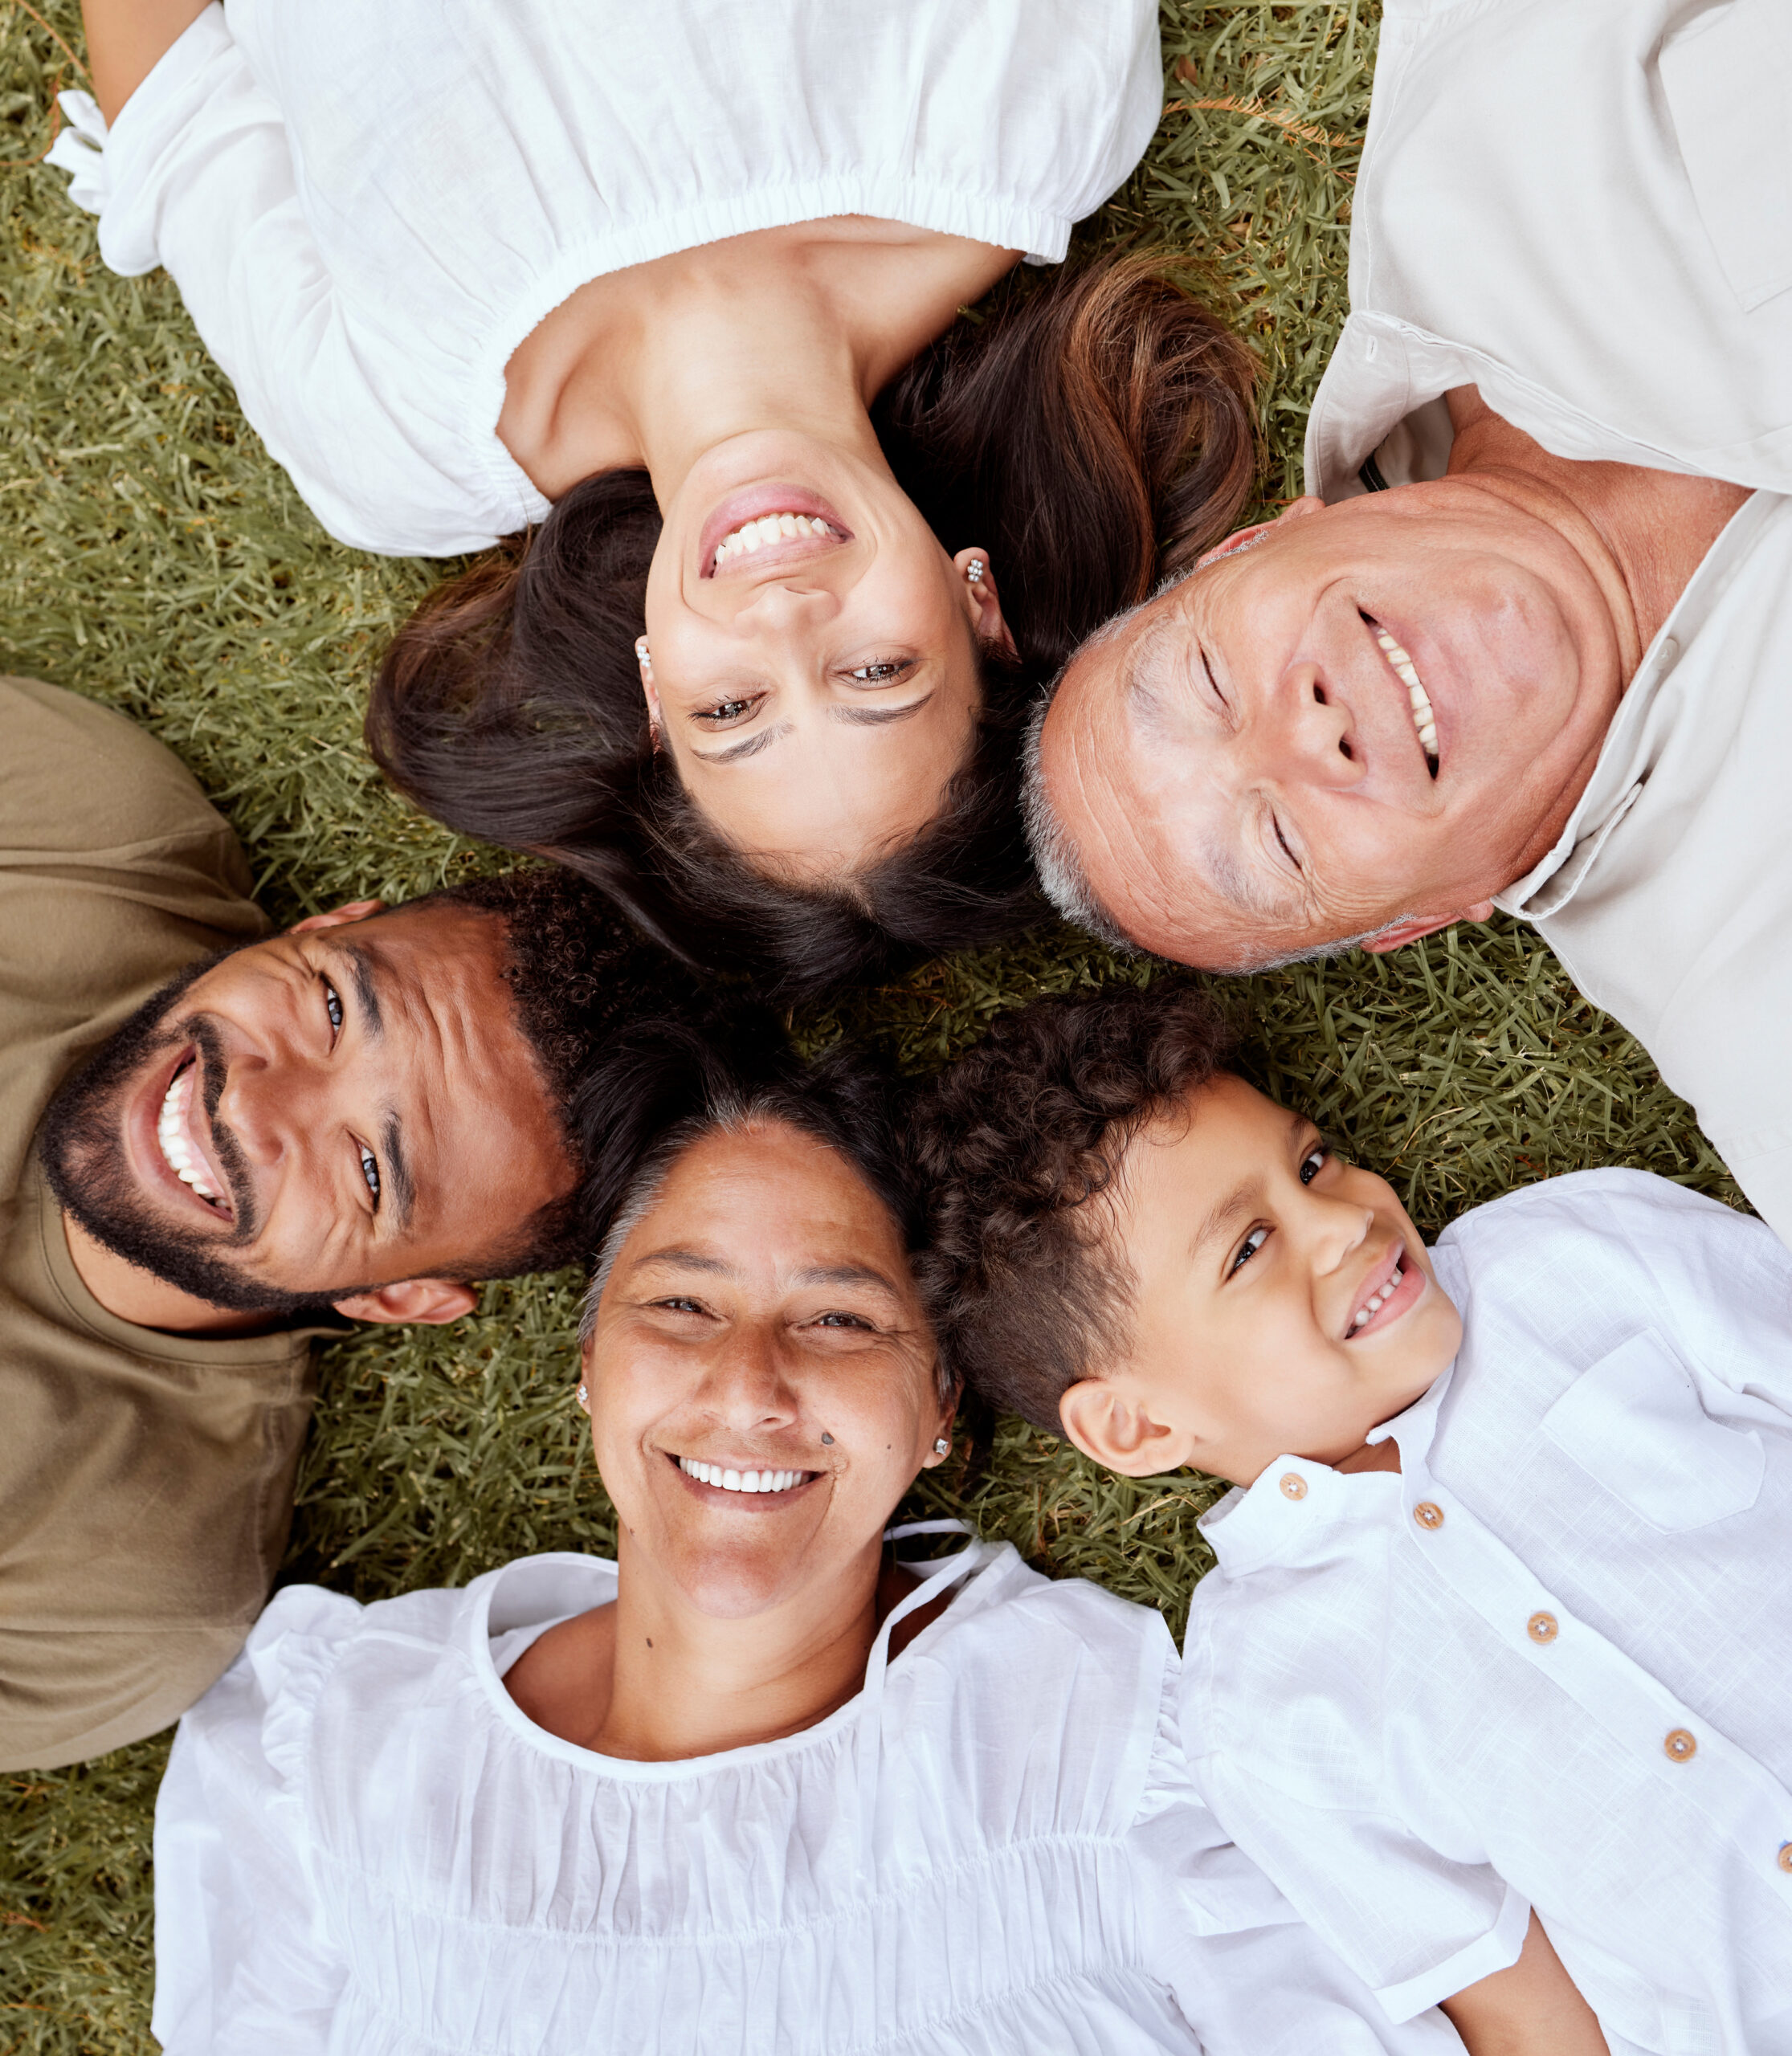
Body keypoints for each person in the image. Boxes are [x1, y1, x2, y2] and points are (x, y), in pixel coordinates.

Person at [149, 1026, 1461, 2055]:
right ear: (592, 1364)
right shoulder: (322, 1758)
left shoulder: (1127, 1747)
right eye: (679, 1304)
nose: (750, 1388)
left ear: (940, 1402)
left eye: (840, 1322)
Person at [49, 0, 1258, 997]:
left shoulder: (388, 446)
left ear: (652, 689)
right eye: (879, 674)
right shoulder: (1037, 107)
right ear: (976, 602)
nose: (786, 620)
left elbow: (176, 99)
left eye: (732, 708)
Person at [1023, 0, 1792, 1243]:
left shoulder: (1489, 132)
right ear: (1420, 919)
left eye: (1216, 682)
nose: (1303, 734)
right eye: (1275, 843)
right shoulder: (1767, 1027)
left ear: (1261, 540)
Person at [913, 979, 1792, 2056]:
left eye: (1314, 1161)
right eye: (1248, 1248)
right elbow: (1525, 2016)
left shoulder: (1585, 1255)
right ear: (1137, 1429)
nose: (1342, 1220)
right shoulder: (1261, 1711)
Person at [0, 675, 688, 1772]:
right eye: (330, 1007)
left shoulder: (122, 1593)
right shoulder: (81, 827)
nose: (252, 1102)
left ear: (396, 1296)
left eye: (370, 1168)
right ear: (333, 926)